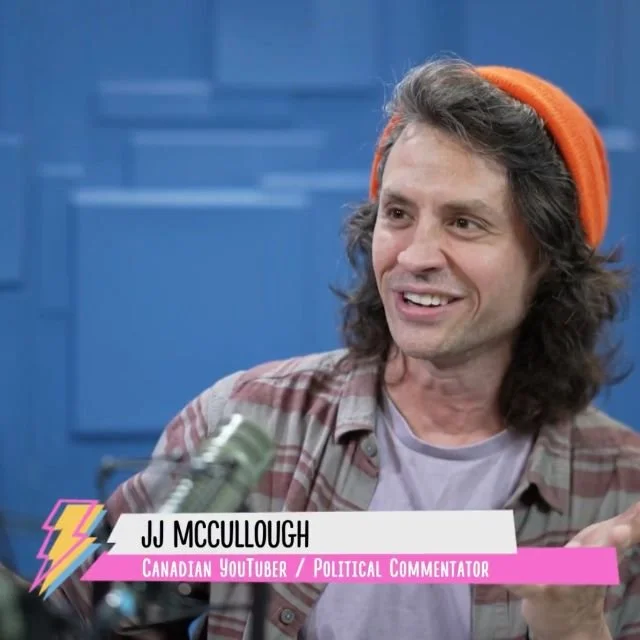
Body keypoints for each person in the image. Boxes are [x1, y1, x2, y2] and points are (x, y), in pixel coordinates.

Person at [10, 57, 640, 639]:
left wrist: (576, 632)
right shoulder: (246, 422)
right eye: (398, 214)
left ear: (549, 261)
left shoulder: (621, 489)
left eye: (464, 222)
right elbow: (73, 618)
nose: (415, 256)